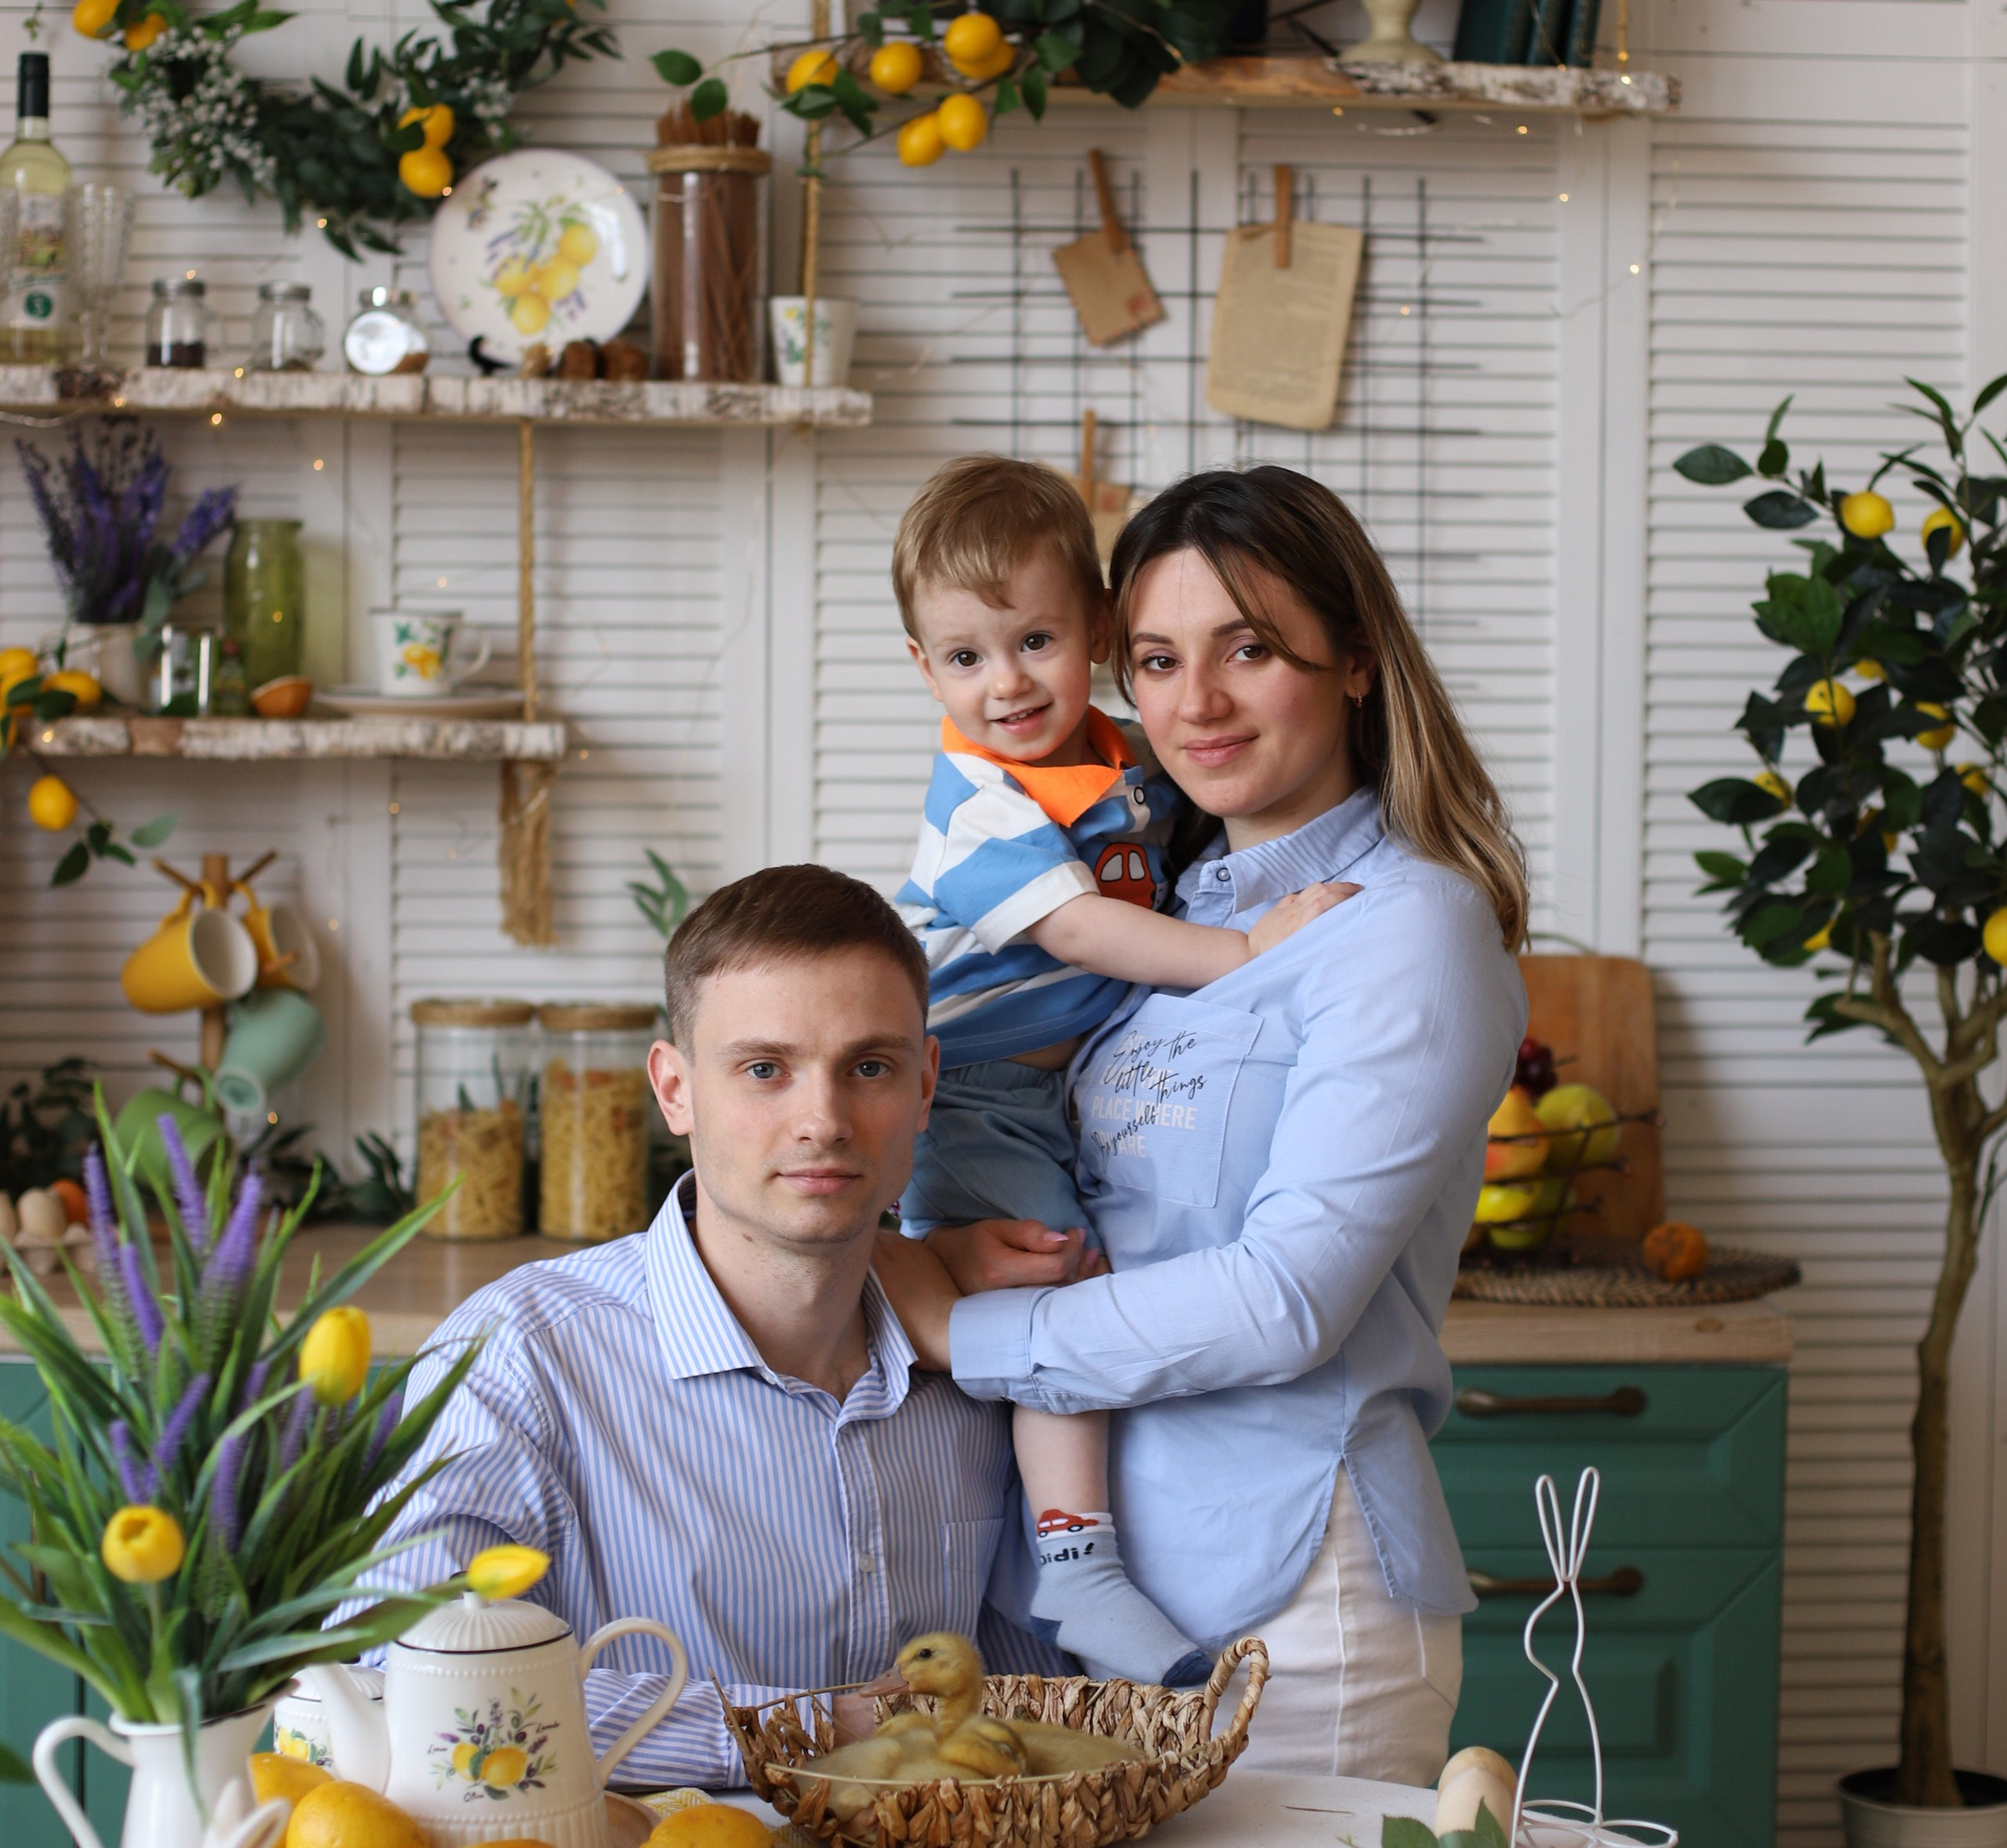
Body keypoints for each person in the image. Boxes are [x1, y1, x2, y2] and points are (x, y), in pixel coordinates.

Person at [873, 465, 1530, 1786]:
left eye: (1250, 650)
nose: (1196, 705)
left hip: (1290, 1603)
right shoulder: (1162, 900)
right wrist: (942, 1248)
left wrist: (962, 1330)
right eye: (1161, 660)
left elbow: (1289, 1300)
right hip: (1091, 1605)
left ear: (1355, 659)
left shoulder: (1411, 930)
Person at [362, 863, 1059, 1789]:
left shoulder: (981, 1361)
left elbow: (1034, 1692)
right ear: (674, 1089)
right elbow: (401, 1674)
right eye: (764, 1069)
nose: (823, 1120)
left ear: (925, 1085)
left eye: (870, 1068)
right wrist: (807, 1730)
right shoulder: (521, 1356)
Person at [890, 455, 1355, 1687]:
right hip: (972, 1093)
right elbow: (1083, 931)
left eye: (1036, 641)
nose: (1005, 683)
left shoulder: (1116, 758)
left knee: (1058, 1281)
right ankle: (1078, 1561)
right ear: (924, 668)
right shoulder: (979, 802)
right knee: (1050, 1296)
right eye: (965, 657)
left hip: (1047, 1091)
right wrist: (1246, 951)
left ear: (1097, 632)